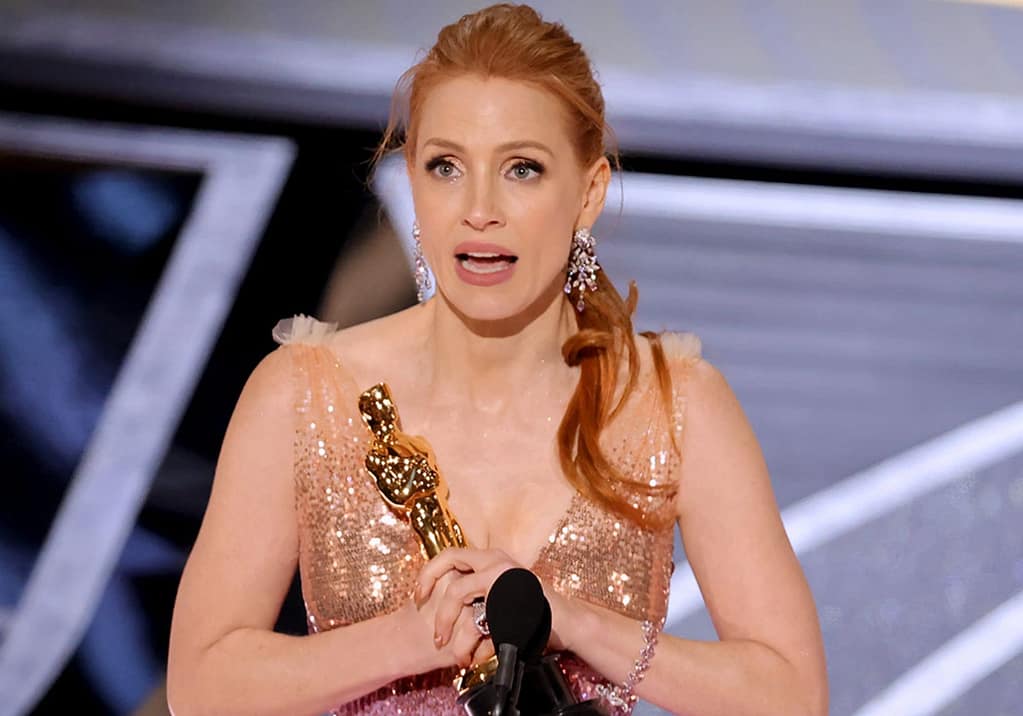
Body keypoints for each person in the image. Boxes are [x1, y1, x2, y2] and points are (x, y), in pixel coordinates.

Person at [166, 4, 828, 715]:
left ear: (588, 192)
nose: (479, 208)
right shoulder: (303, 396)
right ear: (412, 183)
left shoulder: (672, 406)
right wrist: (415, 638)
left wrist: (574, 625)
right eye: (445, 166)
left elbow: (789, 696)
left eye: (522, 169)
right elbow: (202, 687)